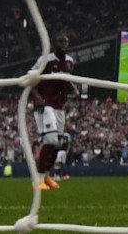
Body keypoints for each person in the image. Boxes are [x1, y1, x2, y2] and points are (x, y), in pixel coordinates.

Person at [31, 33, 75, 191]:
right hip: (46, 104)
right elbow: (31, 78)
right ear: (54, 44)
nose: (63, 44)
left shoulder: (70, 61)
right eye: (60, 41)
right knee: (50, 139)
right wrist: (37, 97)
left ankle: (46, 175)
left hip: (59, 107)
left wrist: (73, 88)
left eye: (66, 41)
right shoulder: (46, 60)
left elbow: (66, 80)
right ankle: (38, 179)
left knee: (59, 143)